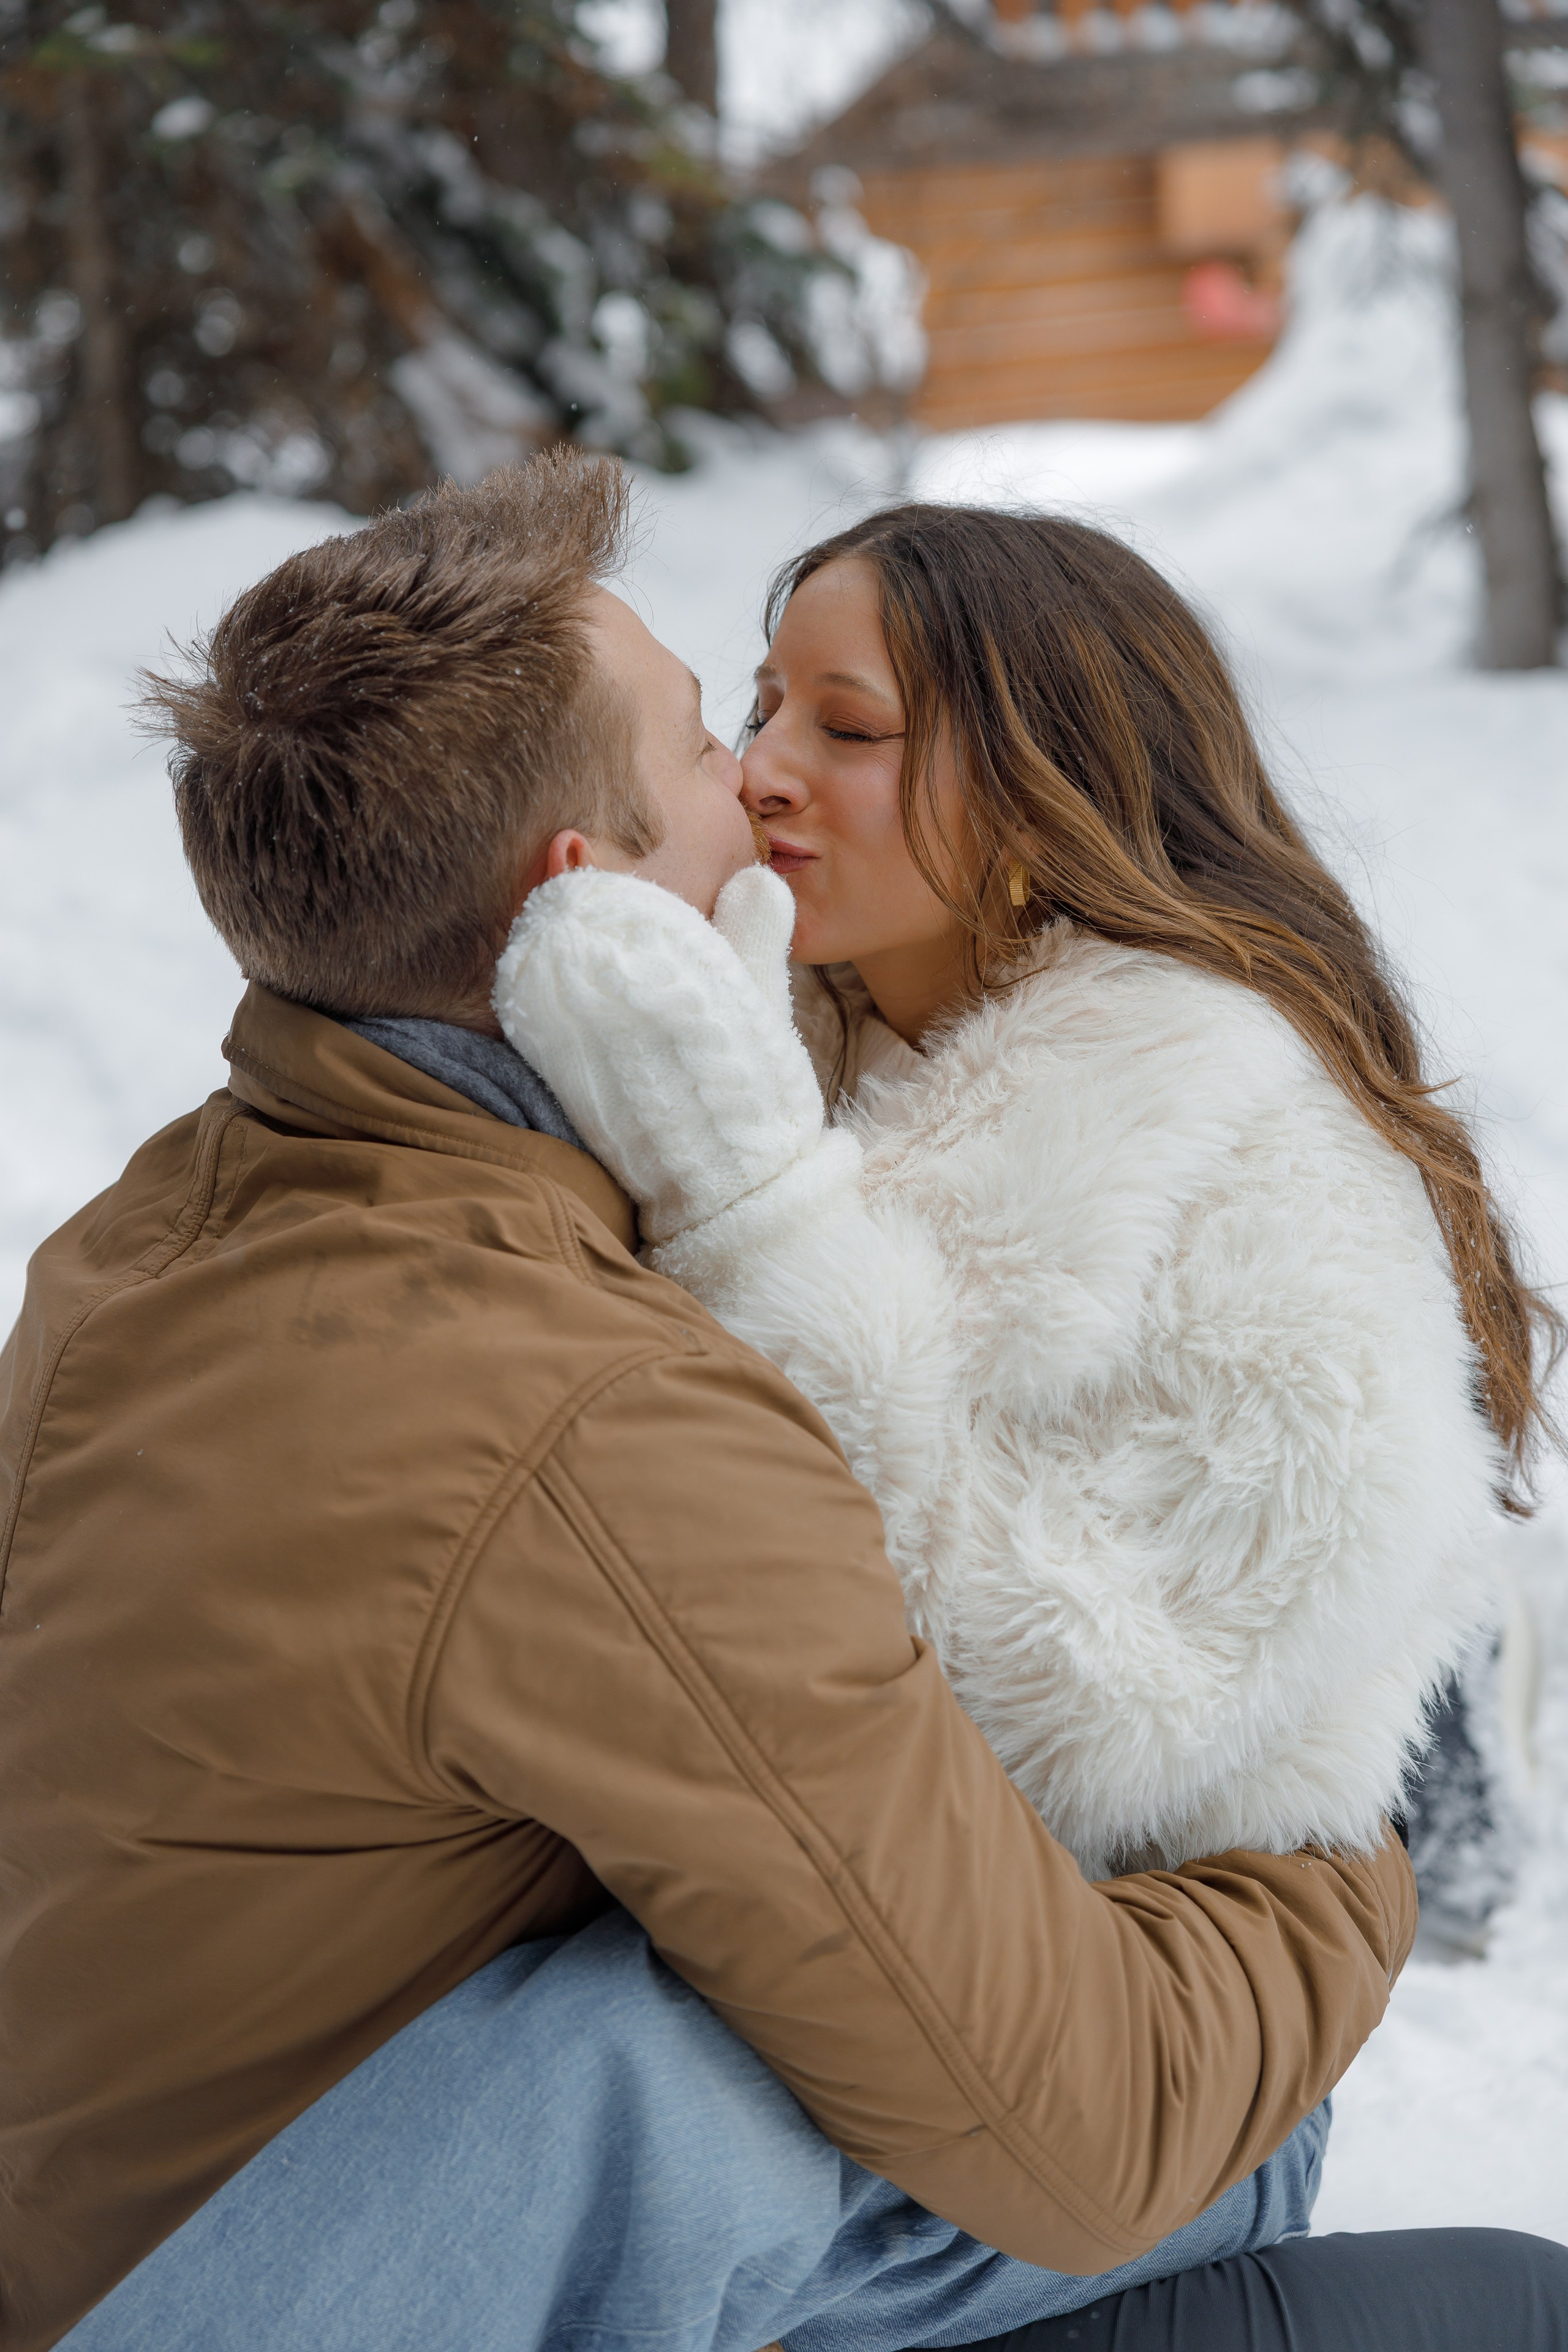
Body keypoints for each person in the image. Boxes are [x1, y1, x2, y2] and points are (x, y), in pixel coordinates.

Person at [0, 453, 1555, 2352]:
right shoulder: (595, 1399)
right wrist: (1336, 1901)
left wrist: (1333, 1782)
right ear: (592, 917)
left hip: (152, 2170)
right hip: (383, 2223)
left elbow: (1220, 1587)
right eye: (719, 725)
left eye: (837, 725)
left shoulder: (147, 1234)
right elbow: (1065, 2112)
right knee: (632, 2068)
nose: (757, 775)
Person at [499, 500, 1562, 1893]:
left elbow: (1090, 1718)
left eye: (850, 730)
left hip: (1124, 1964)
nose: (762, 771)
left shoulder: (1235, 1137)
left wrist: (763, 1219)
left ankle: (1473, 1764)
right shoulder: (780, 1018)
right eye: (761, 712)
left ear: (1035, 784)